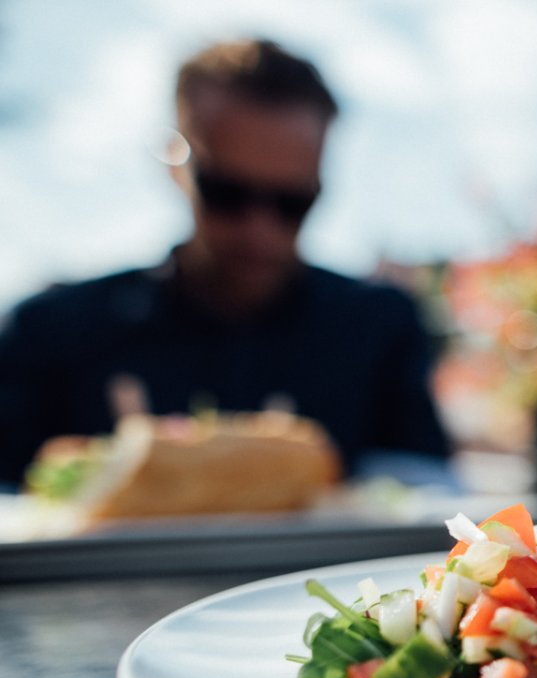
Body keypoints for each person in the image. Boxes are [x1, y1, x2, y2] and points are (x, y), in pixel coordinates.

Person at [0, 38, 452, 487]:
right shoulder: (51, 333)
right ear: (176, 165)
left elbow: (426, 489)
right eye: (227, 194)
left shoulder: (378, 328)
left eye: (292, 203)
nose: (259, 230)